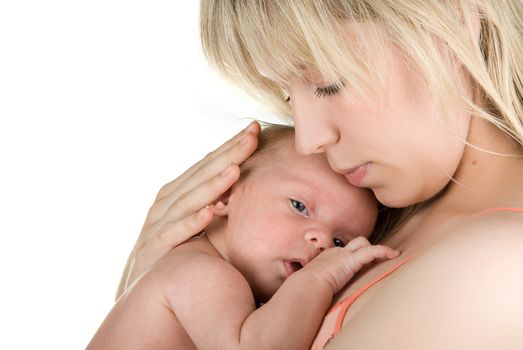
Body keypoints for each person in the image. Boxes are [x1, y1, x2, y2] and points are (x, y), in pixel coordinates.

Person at [118, 1, 523, 348]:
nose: (307, 139)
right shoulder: (377, 215)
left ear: (456, 17)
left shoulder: (501, 267)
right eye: (288, 96)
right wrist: (150, 296)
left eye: (328, 83)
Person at [88, 125, 399, 349]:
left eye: (340, 243)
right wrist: (320, 278)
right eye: (300, 206)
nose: (321, 241)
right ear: (224, 195)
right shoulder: (200, 272)